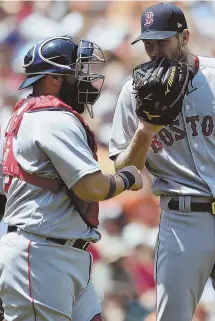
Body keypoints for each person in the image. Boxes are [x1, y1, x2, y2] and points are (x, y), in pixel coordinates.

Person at [109, 3, 215, 321]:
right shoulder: (133, 93)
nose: (154, 50)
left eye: (162, 41)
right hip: (182, 224)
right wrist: (145, 132)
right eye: (148, 43)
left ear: (184, 36)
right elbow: (123, 170)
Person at [0, 36, 143, 321]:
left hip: (59, 251)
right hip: (41, 254)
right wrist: (127, 178)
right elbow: (91, 186)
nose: (87, 80)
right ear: (53, 78)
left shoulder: (32, 114)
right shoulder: (52, 118)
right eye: (78, 71)